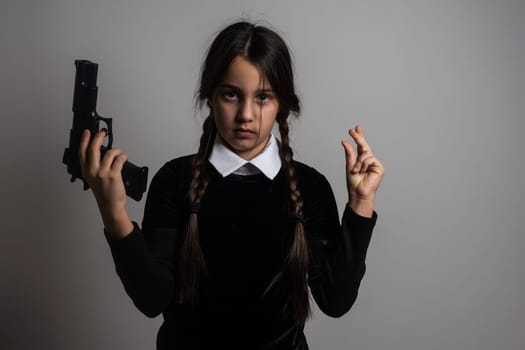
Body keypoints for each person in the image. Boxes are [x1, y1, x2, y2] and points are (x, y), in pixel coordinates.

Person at [78, 21, 384, 350]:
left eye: (263, 97)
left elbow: (335, 301)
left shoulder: (309, 187)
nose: (246, 114)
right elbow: (152, 299)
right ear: (211, 96)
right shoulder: (175, 180)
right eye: (231, 94)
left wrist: (361, 204)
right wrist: (114, 215)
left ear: (282, 103)